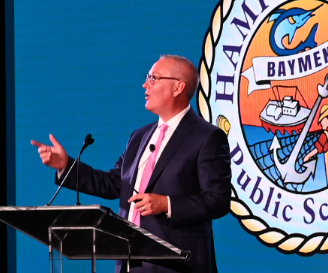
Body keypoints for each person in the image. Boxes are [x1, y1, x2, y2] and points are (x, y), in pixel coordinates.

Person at [31, 54, 232, 273]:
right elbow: (114, 183)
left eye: (153, 78)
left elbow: (218, 200)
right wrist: (66, 165)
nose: (145, 84)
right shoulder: (140, 136)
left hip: (177, 265)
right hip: (130, 264)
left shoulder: (207, 137)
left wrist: (167, 204)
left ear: (178, 87)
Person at [303, 104, 328, 184]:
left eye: (322, 121)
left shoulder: (324, 135)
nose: (321, 124)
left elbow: (317, 149)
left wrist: (307, 156)